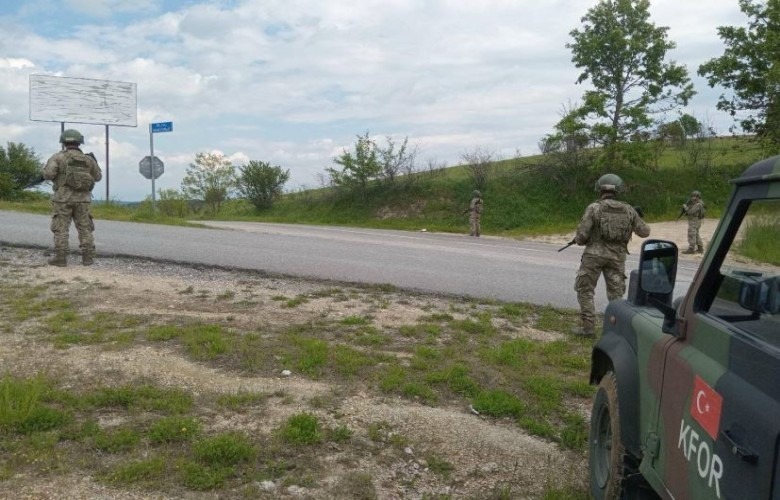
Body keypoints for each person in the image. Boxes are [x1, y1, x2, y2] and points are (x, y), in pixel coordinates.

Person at [572, 174, 650, 337]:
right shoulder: (629, 210)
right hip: (617, 258)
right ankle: (617, 330)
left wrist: (580, 239)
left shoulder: (594, 208)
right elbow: (644, 232)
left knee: (585, 290)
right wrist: (638, 216)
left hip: (593, 257)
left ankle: (588, 328)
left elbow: (581, 237)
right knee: (616, 295)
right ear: (618, 189)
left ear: (600, 189)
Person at [42, 129, 102, 267]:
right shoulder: (88, 159)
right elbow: (98, 177)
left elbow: (49, 174)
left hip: (63, 199)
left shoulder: (58, 157)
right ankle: (87, 258)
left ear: (63, 142)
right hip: (83, 200)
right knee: (85, 228)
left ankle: (61, 258)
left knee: (61, 228)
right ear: (79, 142)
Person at [682, 190, 706, 254]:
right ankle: (700, 248)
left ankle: (691, 248)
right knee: (696, 234)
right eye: (692, 196)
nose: (692, 198)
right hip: (696, 220)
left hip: (694, 220)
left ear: (697, 197)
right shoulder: (698, 203)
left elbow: (690, 212)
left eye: (694, 196)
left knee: (691, 233)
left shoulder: (698, 204)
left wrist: (685, 207)